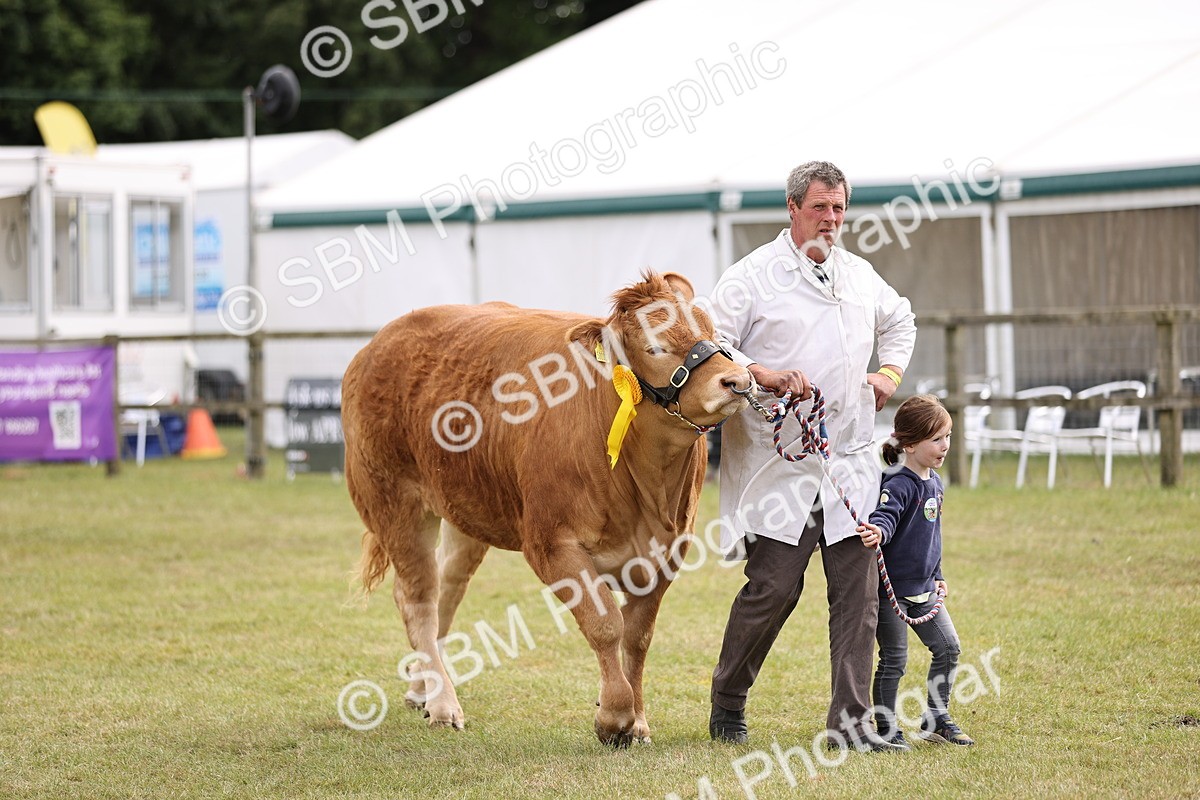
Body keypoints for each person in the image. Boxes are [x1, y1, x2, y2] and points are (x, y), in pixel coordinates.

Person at [703, 161, 916, 750]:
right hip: (781, 462)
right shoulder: (751, 277)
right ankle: (727, 700)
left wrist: (888, 373)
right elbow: (711, 344)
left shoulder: (860, 275)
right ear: (793, 208)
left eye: (840, 208)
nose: (831, 219)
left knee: (858, 594)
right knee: (773, 588)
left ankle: (850, 722)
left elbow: (901, 320)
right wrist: (762, 374)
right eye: (820, 207)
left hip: (849, 459)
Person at [856, 395, 975, 748]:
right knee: (894, 661)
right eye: (936, 439)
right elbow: (886, 518)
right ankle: (886, 726)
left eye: (948, 437)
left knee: (949, 648)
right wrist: (877, 531)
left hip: (925, 589)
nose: (945, 446)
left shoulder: (934, 482)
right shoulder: (897, 483)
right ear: (909, 443)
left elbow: (931, 535)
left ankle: (937, 719)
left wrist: (937, 574)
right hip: (893, 591)